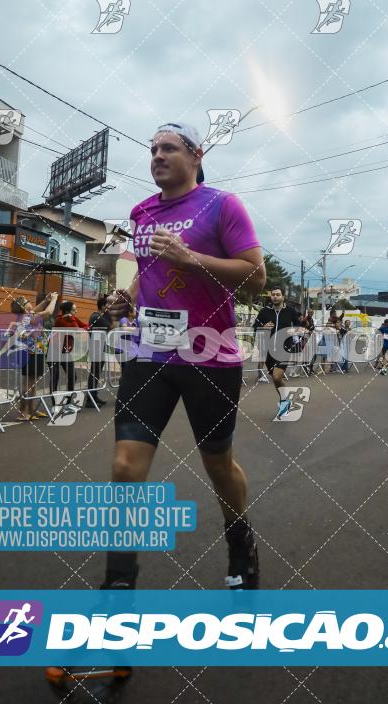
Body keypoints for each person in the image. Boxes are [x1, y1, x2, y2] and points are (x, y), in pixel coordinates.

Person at [105, 122, 266, 595]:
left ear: (196, 156)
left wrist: (191, 258)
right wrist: (127, 296)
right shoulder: (141, 212)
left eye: (169, 148)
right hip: (149, 352)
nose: (157, 155)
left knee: (218, 464)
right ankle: (118, 586)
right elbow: (148, 270)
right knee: (124, 466)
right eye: (152, 148)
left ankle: (241, 543)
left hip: (210, 356)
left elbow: (254, 276)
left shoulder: (222, 205)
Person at [253, 288, 304, 415]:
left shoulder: (290, 311)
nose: (275, 297)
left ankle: (284, 403)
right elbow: (255, 327)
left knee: (277, 376)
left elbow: (300, 327)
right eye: (273, 295)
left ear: (283, 296)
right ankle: (285, 400)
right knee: (276, 379)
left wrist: (294, 331)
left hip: (284, 349)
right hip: (268, 350)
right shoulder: (264, 312)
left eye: (278, 295)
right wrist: (262, 327)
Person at [11, 293, 58, 421]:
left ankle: (31, 410)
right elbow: (48, 312)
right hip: (31, 352)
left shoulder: (26, 315)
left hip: (35, 351)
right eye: (27, 302)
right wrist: (53, 300)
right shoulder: (27, 317)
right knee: (27, 383)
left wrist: (45, 300)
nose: (30, 303)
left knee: (32, 383)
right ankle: (22, 412)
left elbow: (35, 310)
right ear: (23, 306)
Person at [51, 301, 89, 393]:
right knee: (55, 378)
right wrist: (72, 318)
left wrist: (72, 317)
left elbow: (86, 326)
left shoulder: (72, 318)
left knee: (73, 377)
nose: (76, 312)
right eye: (74, 310)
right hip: (55, 351)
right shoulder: (60, 320)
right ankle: (54, 403)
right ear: (68, 311)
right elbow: (76, 329)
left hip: (66, 351)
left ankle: (68, 401)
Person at [86, 296, 113, 408]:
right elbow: (111, 326)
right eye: (108, 305)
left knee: (96, 373)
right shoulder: (97, 317)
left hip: (99, 347)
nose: (110, 307)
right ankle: (90, 399)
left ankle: (94, 396)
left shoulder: (99, 315)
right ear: (102, 306)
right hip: (97, 348)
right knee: (94, 373)